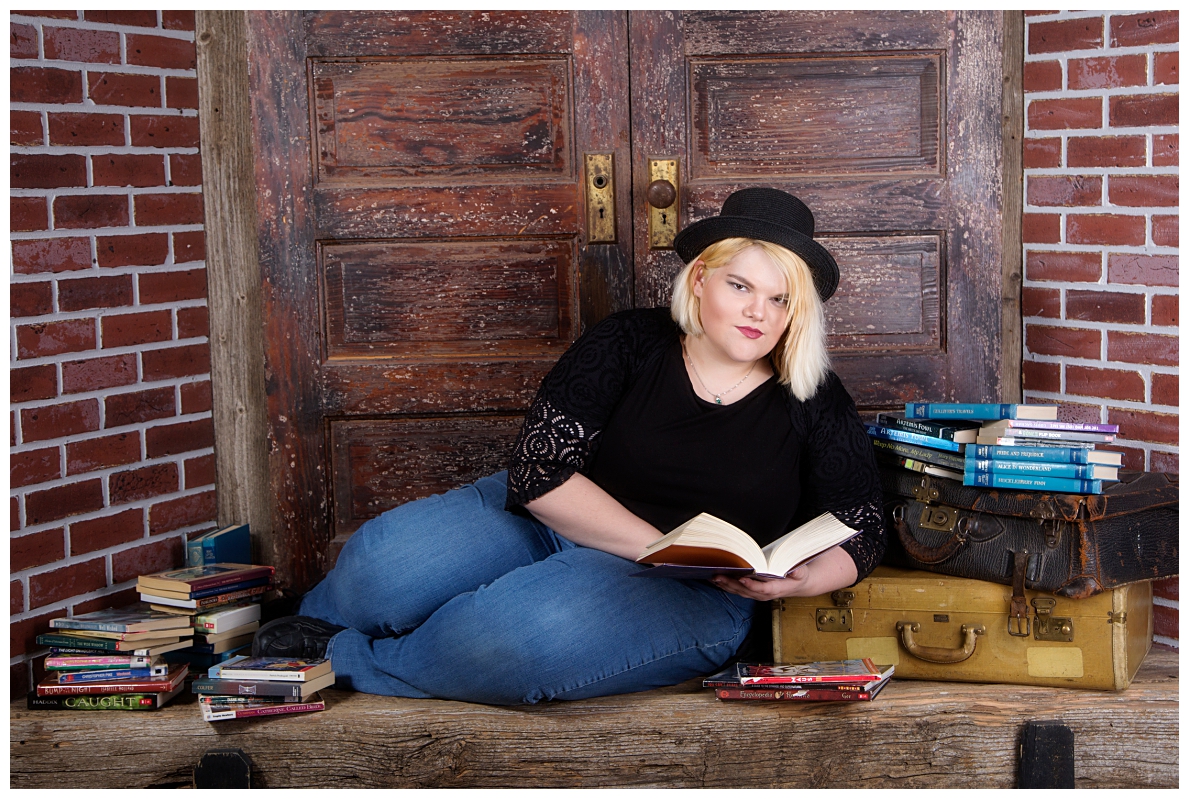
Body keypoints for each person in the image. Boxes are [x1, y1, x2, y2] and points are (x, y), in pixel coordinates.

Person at [253, 187, 885, 705]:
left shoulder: (815, 398)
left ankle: (347, 659)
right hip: (553, 522)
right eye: (741, 286)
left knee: (516, 636)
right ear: (699, 280)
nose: (759, 313)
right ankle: (293, 637)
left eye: (780, 299)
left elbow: (862, 526)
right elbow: (539, 470)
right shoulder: (629, 342)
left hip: (693, 592)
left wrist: (797, 585)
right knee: (380, 567)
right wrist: (660, 548)